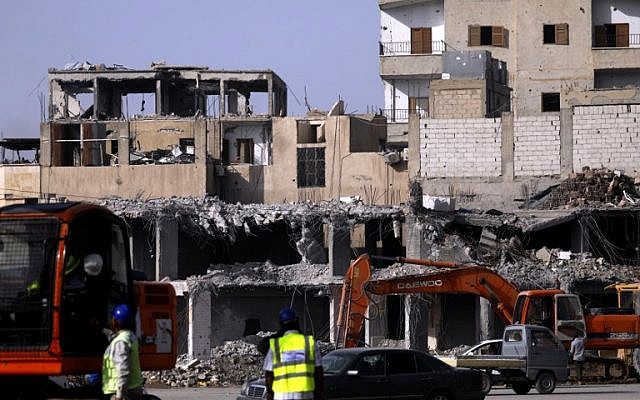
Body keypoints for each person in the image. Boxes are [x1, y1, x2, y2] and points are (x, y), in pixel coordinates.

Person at [263, 308, 325, 400]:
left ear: (281, 325)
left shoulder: (276, 345)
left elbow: (269, 375)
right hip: (305, 394)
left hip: (281, 395)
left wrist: (270, 394)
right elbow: (318, 372)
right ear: (297, 322)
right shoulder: (309, 343)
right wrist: (319, 394)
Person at [102, 304, 144, 400]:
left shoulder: (120, 342)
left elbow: (122, 369)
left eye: (113, 319)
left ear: (116, 322)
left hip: (125, 391)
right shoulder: (131, 337)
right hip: (134, 387)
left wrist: (120, 395)